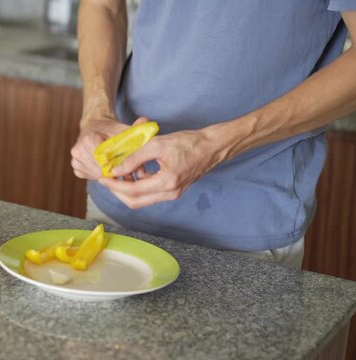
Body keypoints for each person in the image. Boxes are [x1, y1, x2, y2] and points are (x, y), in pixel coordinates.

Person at [70, 0, 356, 269]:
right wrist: (97, 112)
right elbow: (103, 6)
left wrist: (217, 145)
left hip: (246, 226)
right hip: (115, 200)